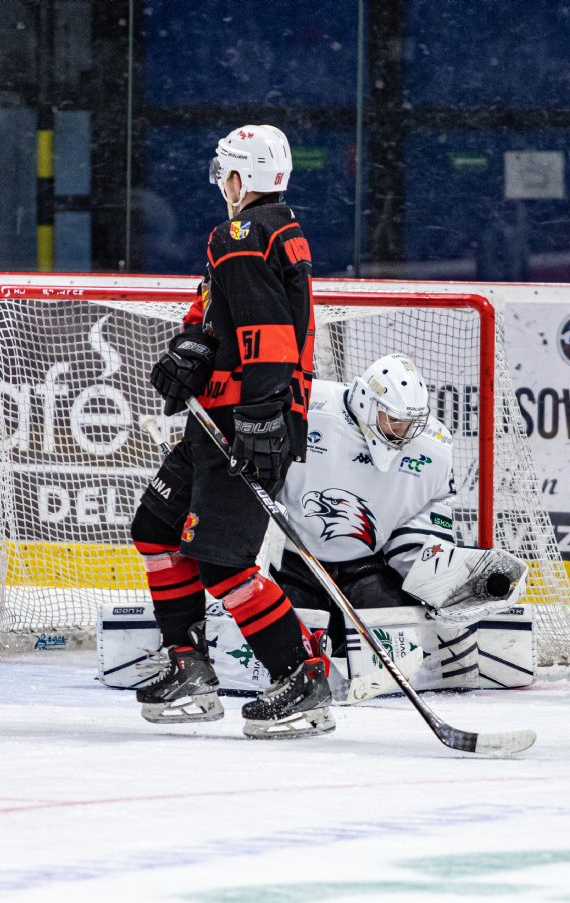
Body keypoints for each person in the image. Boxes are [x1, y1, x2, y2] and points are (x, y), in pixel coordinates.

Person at [129, 124, 333, 740]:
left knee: (223, 563)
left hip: (243, 426)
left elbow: (269, 334)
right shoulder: (272, 232)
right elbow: (228, 318)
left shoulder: (242, 234)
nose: (221, 184)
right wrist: (192, 349)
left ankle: (300, 675)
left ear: (241, 178)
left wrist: (263, 415)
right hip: (222, 421)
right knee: (156, 528)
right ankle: (188, 664)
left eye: (225, 172)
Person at [269, 354, 531, 695]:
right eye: (393, 420)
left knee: (393, 624)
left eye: (410, 423)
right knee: (286, 626)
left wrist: (443, 579)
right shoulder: (306, 406)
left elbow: (417, 531)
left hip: (364, 562)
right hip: (291, 559)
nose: (403, 432)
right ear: (365, 402)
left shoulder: (433, 449)